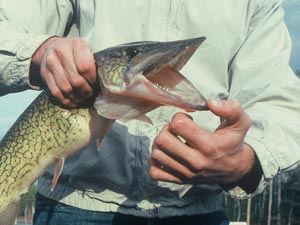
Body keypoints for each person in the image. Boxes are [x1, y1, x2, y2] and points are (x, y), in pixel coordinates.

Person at [0, 0, 300, 224]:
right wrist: (37, 50)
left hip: (198, 211)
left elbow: (280, 99)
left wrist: (247, 160)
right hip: (73, 206)